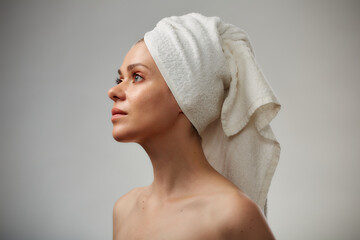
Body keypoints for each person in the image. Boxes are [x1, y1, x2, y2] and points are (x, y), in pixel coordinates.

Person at [108, 13, 280, 240]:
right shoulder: (124, 210)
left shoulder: (232, 215)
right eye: (119, 80)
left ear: (185, 95)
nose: (114, 92)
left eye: (137, 76)